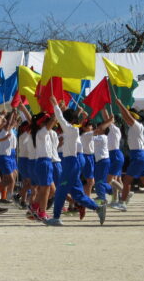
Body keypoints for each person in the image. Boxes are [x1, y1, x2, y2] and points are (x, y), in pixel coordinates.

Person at [44, 95, 106, 226]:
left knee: (61, 190)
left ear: (69, 121)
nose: (62, 123)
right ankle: (98, 208)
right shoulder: (72, 130)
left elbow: (61, 118)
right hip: (73, 161)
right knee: (77, 194)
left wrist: (55, 104)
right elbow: (65, 117)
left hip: (72, 162)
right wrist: (61, 107)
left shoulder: (71, 130)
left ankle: (56, 217)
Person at [115, 99, 144, 212]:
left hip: (138, 156)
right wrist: (120, 107)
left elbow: (127, 116)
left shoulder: (136, 125)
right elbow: (126, 117)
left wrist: (120, 103)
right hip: (140, 155)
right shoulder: (134, 126)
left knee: (126, 181)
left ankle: (122, 203)